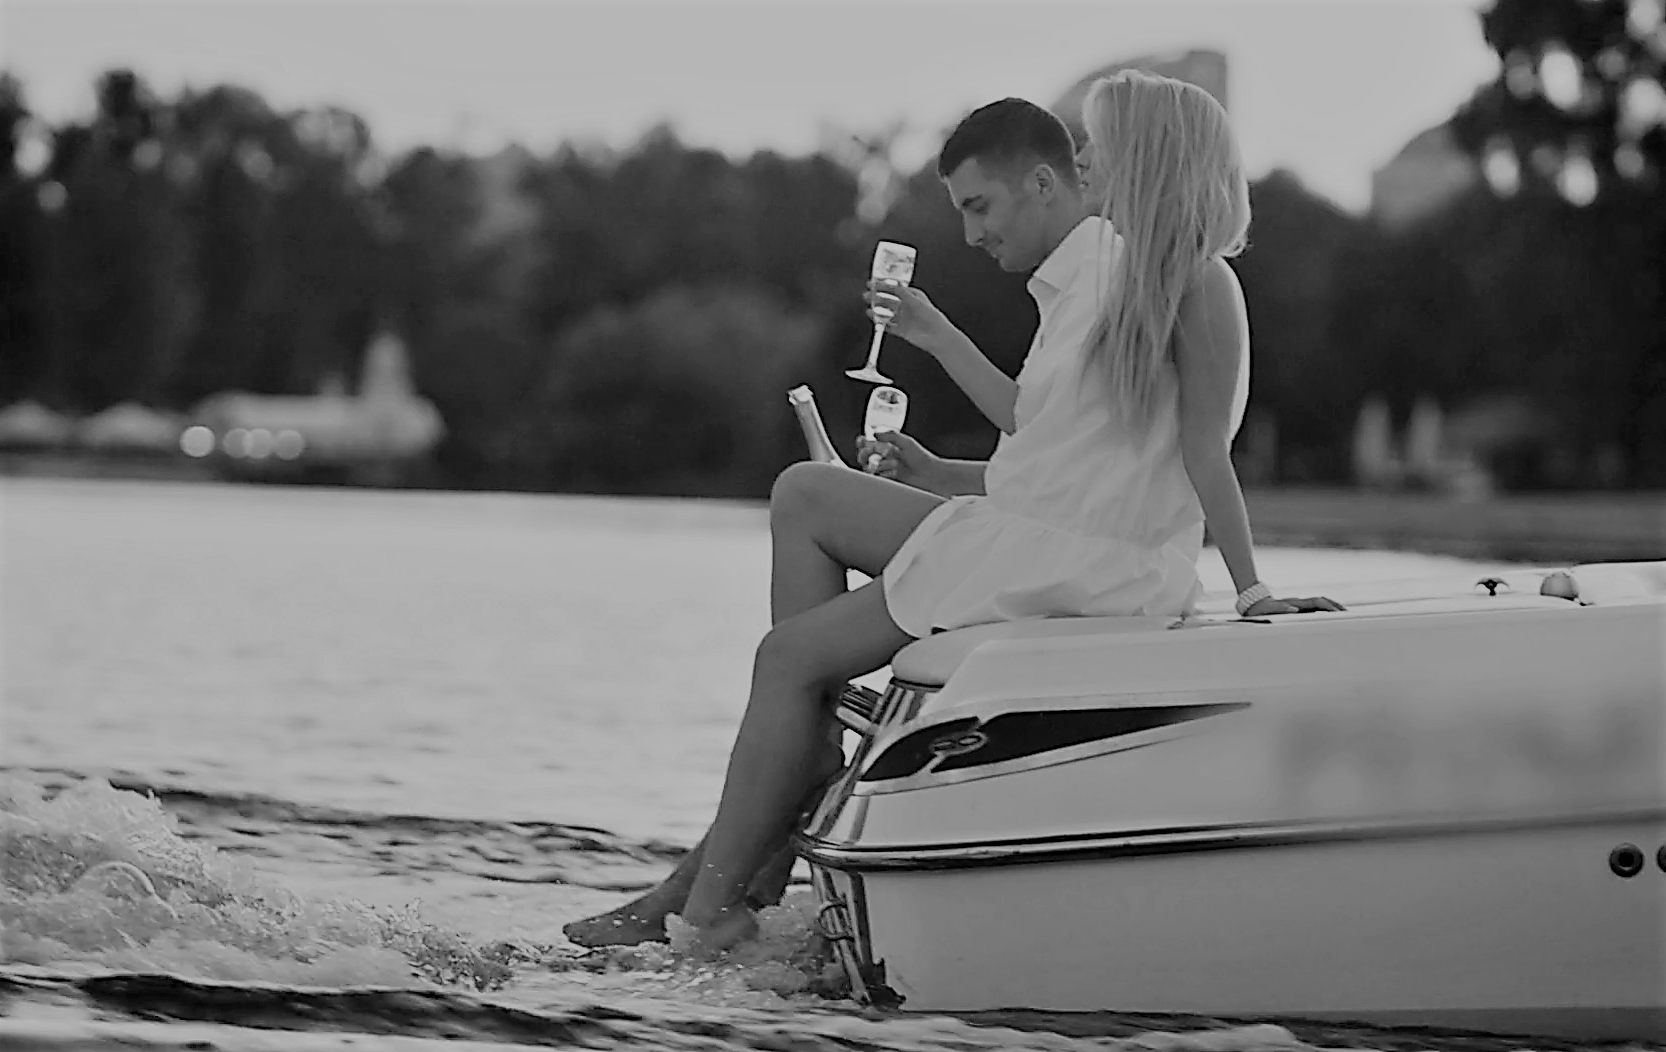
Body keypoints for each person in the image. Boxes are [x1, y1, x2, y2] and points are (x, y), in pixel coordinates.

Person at [564, 73, 1341, 954]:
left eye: (1096, 148)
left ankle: (707, 904)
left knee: (787, 656)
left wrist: (1252, 592)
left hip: (1086, 565)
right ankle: (786, 781)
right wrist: (939, 464)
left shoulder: (1201, 288)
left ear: (1149, 159)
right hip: (1043, 538)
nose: (1082, 162)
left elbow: (1205, 457)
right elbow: (1052, 456)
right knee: (805, 494)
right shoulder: (1111, 282)